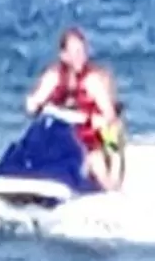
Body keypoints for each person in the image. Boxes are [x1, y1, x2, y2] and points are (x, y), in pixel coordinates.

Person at [25, 27, 125, 191]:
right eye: (74, 52)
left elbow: (110, 114)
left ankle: (111, 185)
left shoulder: (92, 81)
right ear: (63, 56)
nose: (80, 57)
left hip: (91, 135)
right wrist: (33, 104)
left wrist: (98, 120)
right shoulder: (54, 76)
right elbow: (36, 101)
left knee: (99, 153)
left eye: (82, 51)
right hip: (63, 134)